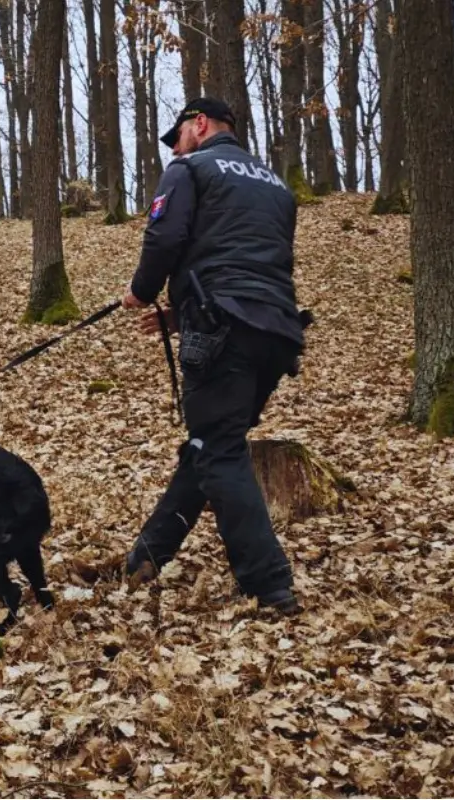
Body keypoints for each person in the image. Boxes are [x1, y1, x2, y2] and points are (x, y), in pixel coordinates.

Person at [120, 97, 307, 617]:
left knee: (219, 450)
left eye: (176, 135)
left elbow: (165, 236)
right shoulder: (275, 186)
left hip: (224, 329)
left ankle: (270, 585)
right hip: (277, 332)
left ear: (199, 124)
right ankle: (147, 555)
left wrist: (141, 290)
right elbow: (247, 266)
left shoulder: (191, 168)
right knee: (210, 444)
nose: (173, 148)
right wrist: (178, 316)